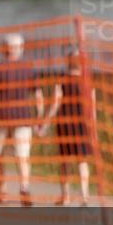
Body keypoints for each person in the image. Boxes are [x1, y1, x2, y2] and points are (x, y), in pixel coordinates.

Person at [0, 33, 44, 206]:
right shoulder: (29, 67)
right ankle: (24, 188)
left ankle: (2, 191)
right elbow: (38, 95)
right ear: (21, 48)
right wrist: (39, 118)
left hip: (0, 118)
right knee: (22, 156)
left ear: (5, 48)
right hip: (23, 118)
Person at [43, 50, 94, 206]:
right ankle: (84, 197)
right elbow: (92, 108)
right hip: (82, 125)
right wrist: (93, 130)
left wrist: (45, 123)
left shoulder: (62, 80)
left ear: (68, 61)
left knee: (65, 161)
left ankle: (65, 196)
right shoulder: (87, 82)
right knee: (82, 161)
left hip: (65, 125)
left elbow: (55, 104)